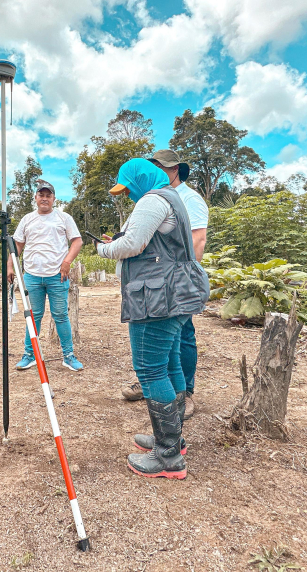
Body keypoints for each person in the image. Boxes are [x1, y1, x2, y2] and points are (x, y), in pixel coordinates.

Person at [95, 159, 209, 479]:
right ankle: (172, 438)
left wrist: (103, 250)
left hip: (158, 300)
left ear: (140, 180)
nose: (128, 194)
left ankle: (168, 456)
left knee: (150, 368)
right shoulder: (172, 198)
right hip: (176, 295)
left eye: (128, 187)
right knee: (170, 364)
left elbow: (133, 244)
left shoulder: (152, 200)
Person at [121, 150, 210, 419]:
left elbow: (197, 240)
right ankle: (171, 398)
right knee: (166, 349)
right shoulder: (156, 197)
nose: (156, 171)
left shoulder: (188, 198)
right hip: (159, 283)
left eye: (158, 166)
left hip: (173, 285)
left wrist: (182, 280)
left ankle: (185, 395)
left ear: (173, 169)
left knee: (180, 340)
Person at [8, 180, 85, 372]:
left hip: (57, 276)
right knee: (33, 317)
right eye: (41, 195)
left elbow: (77, 241)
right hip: (32, 276)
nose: (44, 198)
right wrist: (10, 266)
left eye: (48, 195)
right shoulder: (27, 219)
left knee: (60, 315)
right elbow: (17, 245)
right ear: (35, 198)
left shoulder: (63, 217)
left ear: (53, 199)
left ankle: (69, 356)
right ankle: (30, 355)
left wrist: (67, 262)